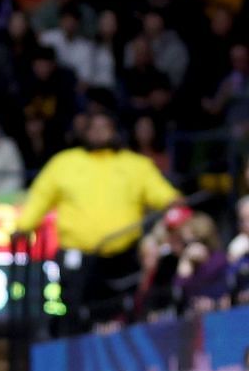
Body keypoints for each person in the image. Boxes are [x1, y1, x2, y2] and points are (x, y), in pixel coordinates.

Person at [16, 110, 182, 327]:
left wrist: (175, 203)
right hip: (78, 255)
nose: (99, 133)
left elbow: (163, 195)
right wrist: (23, 226)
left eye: (105, 128)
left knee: (123, 311)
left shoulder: (135, 164)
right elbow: (40, 197)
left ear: (115, 132)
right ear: (85, 133)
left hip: (123, 256)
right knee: (72, 310)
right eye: (93, 128)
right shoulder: (65, 162)